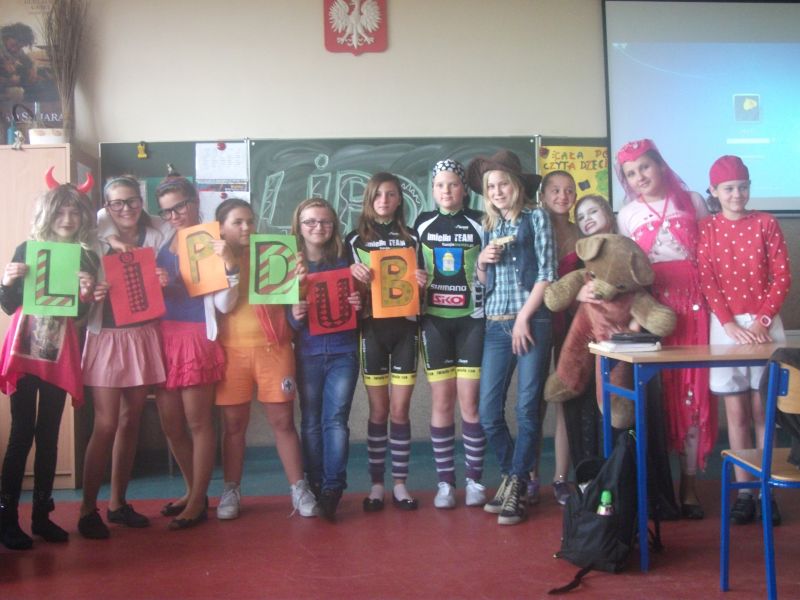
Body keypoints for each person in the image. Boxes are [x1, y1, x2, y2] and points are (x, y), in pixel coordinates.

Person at [615, 138, 712, 520]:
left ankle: (689, 486)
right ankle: (660, 489)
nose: (640, 176)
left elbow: (710, 255)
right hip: (654, 310)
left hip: (696, 309)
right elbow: (628, 271)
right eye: (631, 173)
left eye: (645, 167)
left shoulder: (693, 201)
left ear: (659, 165)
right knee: (660, 397)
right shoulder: (626, 215)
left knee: (691, 396)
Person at [0, 176, 98, 550]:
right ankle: (7, 518)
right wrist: (6, 281)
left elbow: (81, 317)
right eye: (61, 212)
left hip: (59, 352)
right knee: (21, 432)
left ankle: (42, 516)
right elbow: (9, 305)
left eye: (75, 212)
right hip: (25, 349)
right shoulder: (27, 249)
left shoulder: (85, 257)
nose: (68, 219)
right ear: (48, 214)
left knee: (50, 434)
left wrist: (87, 293)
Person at [697, 155, 791, 525]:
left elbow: (781, 275)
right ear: (714, 191)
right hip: (726, 328)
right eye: (729, 188)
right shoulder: (707, 228)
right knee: (736, 413)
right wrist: (728, 323)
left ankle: (767, 490)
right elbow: (707, 279)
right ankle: (745, 492)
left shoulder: (766, 223)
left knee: (763, 411)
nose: (736, 194)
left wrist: (763, 320)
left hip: (765, 326)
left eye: (742, 187)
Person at [214, 198, 317, 520]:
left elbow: (295, 300)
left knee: (283, 422)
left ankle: (298, 487)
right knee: (233, 425)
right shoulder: (213, 259)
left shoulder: (272, 251)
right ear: (221, 228)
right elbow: (221, 305)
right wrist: (229, 265)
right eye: (237, 222)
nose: (246, 227)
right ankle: (231, 489)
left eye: (250, 220)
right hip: (231, 352)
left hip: (274, 349)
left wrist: (301, 280)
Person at [76, 176, 167, 539]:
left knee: (131, 421)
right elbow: (80, 286)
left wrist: (163, 277)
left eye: (132, 201)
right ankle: (87, 509)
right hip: (106, 337)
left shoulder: (156, 233)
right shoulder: (94, 233)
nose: (126, 208)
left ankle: (118, 503)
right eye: (117, 203)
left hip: (142, 334)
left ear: (141, 201)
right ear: (107, 206)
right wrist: (90, 291)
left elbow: (170, 271)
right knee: (106, 424)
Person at [467, 150, 555, 526]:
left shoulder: (536, 217)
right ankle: (511, 475)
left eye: (503, 183)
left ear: (516, 185)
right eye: (491, 187)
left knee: (526, 408)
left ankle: (517, 484)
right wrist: (481, 263)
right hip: (496, 324)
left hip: (532, 322)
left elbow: (547, 273)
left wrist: (524, 319)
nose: (497, 191)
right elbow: (483, 283)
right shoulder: (490, 224)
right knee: (488, 412)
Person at [153, 176, 238, 530]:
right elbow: (106, 221)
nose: (174, 216)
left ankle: (199, 499)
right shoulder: (163, 239)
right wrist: (156, 281)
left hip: (195, 336)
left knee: (198, 422)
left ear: (194, 202)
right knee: (171, 425)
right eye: (166, 211)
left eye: (179, 207)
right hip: (163, 336)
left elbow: (224, 303)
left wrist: (230, 268)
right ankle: (193, 491)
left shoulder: (211, 241)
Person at [414, 160, 487, 509]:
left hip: (472, 321)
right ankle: (445, 483)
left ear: (464, 189)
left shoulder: (481, 221)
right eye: (440, 185)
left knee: (470, 404)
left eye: (453, 184)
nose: (446, 190)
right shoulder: (421, 224)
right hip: (434, 322)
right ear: (433, 189)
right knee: (442, 403)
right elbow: (408, 269)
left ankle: (474, 480)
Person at [346, 172, 421, 511]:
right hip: (371, 331)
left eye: (391, 194)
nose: (384, 200)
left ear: (399, 199)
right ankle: (377, 485)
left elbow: (426, 285)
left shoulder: (413, 237)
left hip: (405, 331)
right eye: (378, 194)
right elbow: (345, 292)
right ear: (369, 198)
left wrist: (423, 280)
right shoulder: (353, 240)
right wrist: (353, 276)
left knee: (400, 411)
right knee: (379, 411)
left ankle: (401, 484)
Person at [289, 198, 361, 521]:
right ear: (299, 226)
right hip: (308, 352)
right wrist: (293, 314)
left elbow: (362, 307)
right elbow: (283, 317)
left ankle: (333, 487)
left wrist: (359, 302)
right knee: (310, 421)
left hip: (343, 350)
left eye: (325, 221)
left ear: (334, 225)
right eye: (310, 222)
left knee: (336, 420)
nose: (318, 227)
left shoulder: (346, 259)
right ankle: (314, 481)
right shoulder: (289, 264)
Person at [530, 170, 579, 506]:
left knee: (564, 397)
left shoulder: (581, 232)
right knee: (533, 399)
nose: (563, 196)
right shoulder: (533, 227)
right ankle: (530, 475)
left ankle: (561, 478)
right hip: (537, 319)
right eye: (556, 190)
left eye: (569, 190)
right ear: (543, 196)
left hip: (572, 323)